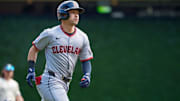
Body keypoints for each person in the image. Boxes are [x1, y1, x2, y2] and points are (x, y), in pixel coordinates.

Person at [26, 0, 93, 101]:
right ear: (63, 14)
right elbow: (34, 49)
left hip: (65, 84)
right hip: (50, 80)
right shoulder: (51, 33)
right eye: (73, 12)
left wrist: (87, 75)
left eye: (77, 13)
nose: (76, 15)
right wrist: (31, 69)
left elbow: (86, 60)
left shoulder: (82, 37)